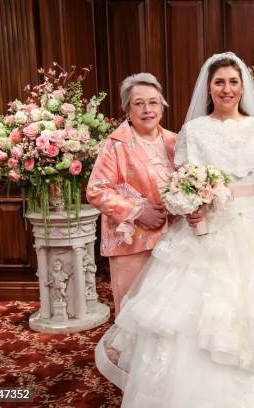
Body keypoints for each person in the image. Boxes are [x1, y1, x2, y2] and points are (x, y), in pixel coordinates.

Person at [94, 52, 254, 407]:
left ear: (243, 86)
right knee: (195, 319)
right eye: (219, 82)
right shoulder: (194, 131)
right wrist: (192, 205)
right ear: (208, 87)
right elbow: (183, 182)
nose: (227, 88)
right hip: (207, 228)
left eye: (234, 81)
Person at [87, 73, 176, 315]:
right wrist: (137, 212)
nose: (147, 109)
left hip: (174, 242)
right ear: (127, 108)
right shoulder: (115, 144)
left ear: (161, 106)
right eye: (139, 103)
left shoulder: (174, 142)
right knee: (133, 313)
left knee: (168, 313)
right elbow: (96, 190)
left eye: (153, 102)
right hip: (132, 244)